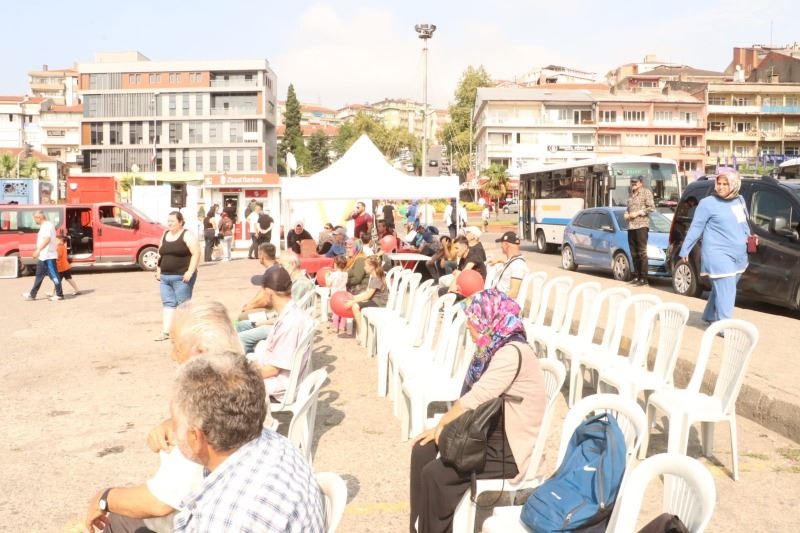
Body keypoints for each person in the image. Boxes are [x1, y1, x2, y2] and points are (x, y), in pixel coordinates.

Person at [84, 301, 247, 533]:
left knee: (117, 518)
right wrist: (172, 422)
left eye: (175, 345)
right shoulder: (247, 380)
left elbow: (160, 501)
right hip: (234, 498)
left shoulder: (203, 410)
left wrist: (103, 498)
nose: (172, 355)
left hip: (206, 517)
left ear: (200, 352)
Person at [409, 289, 547, 532]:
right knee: (422, 450)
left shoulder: (511, 352)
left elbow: (476, 397)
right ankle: (418, 527)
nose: (469, 328)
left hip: (509, 449)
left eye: (472, 322)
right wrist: (441, 429)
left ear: (489, 321)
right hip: (487, 433)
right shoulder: (493, 347)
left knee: (436, 475)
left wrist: (442, 425)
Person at [170, 354, 323, 532]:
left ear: (195, 438)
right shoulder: (275, 442)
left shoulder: (226, 519)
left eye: (173, 422)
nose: (172, 430)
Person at [679, 171, 750, 324]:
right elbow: (696, 227)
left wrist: (749, 238)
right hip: (717, 254)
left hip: (739, 255)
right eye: (719, 183)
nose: (721, 187)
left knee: (724, 288)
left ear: (734, 185)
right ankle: (723, 326)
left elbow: (743, 223)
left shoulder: (739, 200)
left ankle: (710, 314)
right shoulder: (707, 203)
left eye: (725, 184)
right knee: (727, 290)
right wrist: (686, 249)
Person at [247, 267, 315, 399]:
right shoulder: (293, 312)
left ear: (269, 292)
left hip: (279, 386)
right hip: (283, 378)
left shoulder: (289, 323)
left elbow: (273, 370)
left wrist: (242, 375)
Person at [154, 211, 200, 342]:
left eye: (172, 221)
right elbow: (160, 253)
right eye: (168, 221)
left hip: (182, 277)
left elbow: (196, 253)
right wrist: (158, 269)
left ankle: (185, 333)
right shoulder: (165, 234)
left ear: (180, 222)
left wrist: (190, 271)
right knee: (168, 304)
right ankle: (166, 332)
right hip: (165, 277)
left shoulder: (187, 235)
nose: (169, 223)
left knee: (183, 305)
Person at [22, 209, 63, 301]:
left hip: (49, 256)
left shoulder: (47, 226)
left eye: (35, 218)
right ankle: (32, 294)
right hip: (43, 256)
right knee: (39, 275)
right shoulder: (44, 226)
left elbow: (47, 239)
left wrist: (38, 250)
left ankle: (59, 295)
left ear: (39, 217)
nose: (34, 220)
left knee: (54, 276)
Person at [343, 255, 388, 339]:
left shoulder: (376, 278)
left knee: (355, 306)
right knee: (355, 302)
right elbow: (367, 292)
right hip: (374, 300)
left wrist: (353, 301)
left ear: (372, 266)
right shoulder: (373, 276)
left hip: (378, 303)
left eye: (366, 265)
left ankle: (361, 332)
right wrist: (354, 297)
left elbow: (368, 296)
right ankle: (362, 330)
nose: (364, 268)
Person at [624, 175, 655, 286]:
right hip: (631, 226)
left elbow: (651, 208)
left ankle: (644, 278)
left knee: (642, 253)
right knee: (633, 253)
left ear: (641, 183)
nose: (633, 183)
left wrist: (638, 213)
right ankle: (636, 276)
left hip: (641, 226)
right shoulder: (630, 194)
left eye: (635, 182)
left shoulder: (646, 192)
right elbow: (628, 208)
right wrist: (626, 214)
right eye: (632, 182)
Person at [487, 231, 529, 299]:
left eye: (502, 244)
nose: (501, 246)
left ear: (506, 245)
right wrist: (500, 260)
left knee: (469, 302)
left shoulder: (518, 265)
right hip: (496, 296)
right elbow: (511, 265)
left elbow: (513, 293)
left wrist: (492, 299)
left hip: (501, 301)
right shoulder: (514, 261)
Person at [326, 255, 349, 334]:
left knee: (335, 311)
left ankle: (335, 327)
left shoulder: (333, 275)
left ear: (335, 264)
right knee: (343, 311)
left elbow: (328, 284)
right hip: (343, 294)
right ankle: (342, 326)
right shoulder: (346, 274)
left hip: (335, 295)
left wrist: (326, 276)